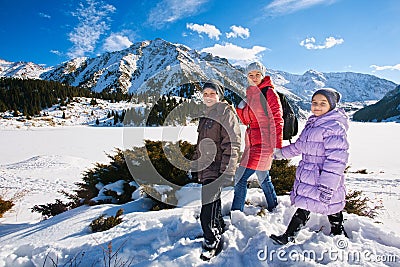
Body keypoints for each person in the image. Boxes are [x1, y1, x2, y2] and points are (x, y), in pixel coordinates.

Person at [270, 88, 349, 245]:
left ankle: (338, 233)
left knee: (331, 205)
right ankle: (289, 235)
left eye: (322, 103)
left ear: (331, 106)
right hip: (309, 175)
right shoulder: (313, 124)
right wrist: (279, 153)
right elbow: (299, 147)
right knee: (306, 205)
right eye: (314, 103)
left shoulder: (333, 127)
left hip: (323, 177)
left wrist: (327, 186)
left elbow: (336, 161)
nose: (317, 106)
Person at [191, 79, 241, 259]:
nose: (209, 96)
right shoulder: (206, 115)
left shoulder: (225, 113)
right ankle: (217, 227)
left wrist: (228, 170)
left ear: (219, 96)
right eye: (205, 94)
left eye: (212, 93)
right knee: (213, 202)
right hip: (206, 166)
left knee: (208, 205)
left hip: (217, 167)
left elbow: (232, 142)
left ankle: (211, 240)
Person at [231, 62, 283, 213]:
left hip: (264, 143)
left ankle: (236, 213)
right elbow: (248, 121)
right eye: (250, 75)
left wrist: (277, 145)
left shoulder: (269, 93)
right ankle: (275, 207)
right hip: (252, 142)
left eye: (257, 75)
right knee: (263, 177)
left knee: (240, 179)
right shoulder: (252, 93)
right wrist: (240, 109)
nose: (254, 78)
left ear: (263, 75)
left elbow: (277, 120)